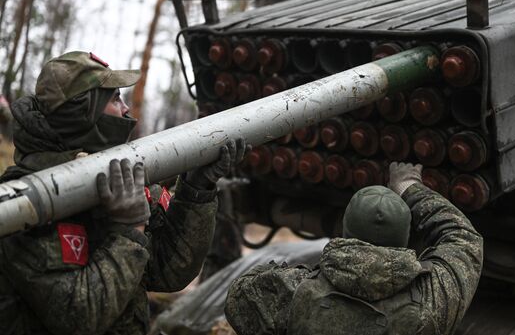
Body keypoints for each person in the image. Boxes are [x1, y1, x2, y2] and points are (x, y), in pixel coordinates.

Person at [0, 51, 248, 335]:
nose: (127, 110)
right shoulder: (28, 203)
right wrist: (128, 230)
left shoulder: (116, 174)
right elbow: (78, 317)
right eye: (115, 98)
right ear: (84, 113)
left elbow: (169, 272)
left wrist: (196, 190)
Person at [225, 162, 483, 335]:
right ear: (405, 239)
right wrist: (410, 188)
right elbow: (462, 236)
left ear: (345, 231)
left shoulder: (292, 292)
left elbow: (237, 301)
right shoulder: (434, 301)